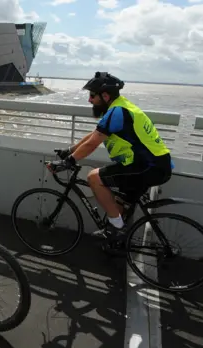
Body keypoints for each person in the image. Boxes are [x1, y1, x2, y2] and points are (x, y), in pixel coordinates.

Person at [48, 72, 173, 251]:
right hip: (154, 165)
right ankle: (116, 239)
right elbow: (94, 134)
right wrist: (70, 151)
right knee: (119, 203)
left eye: (92, 95)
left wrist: (68, 161)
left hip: (146, 167)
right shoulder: (120, 107)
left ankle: (118, 229)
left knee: (94, 178)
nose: (89, 100)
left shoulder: (117, 112)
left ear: (105, 96)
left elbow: (93, 143)